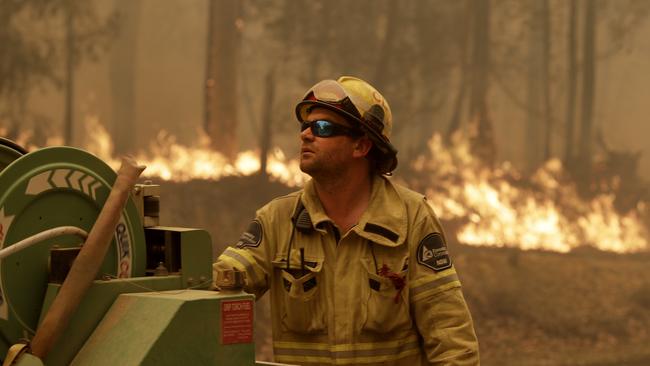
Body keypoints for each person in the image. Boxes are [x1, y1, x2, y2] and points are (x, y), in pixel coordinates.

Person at [213, 76, 479, 365]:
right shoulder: (277, 221)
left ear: (361, 146)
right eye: (305, 126)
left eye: (323, 127)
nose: (305, 135)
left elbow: (452, 339)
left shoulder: (411, 218)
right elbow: (215, 291)